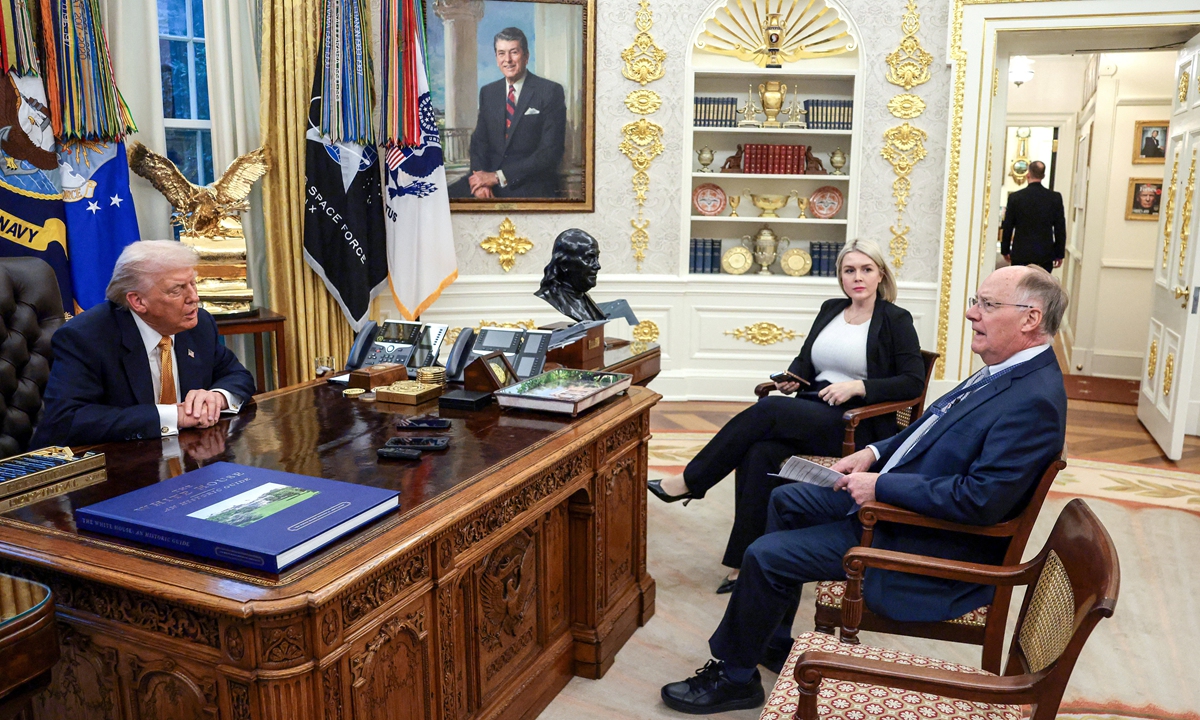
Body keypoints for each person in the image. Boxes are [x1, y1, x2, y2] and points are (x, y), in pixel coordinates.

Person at [658, 264, 1068, 714]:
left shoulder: (1033, 399)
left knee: (764, 555)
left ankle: (735, 678)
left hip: (924, 540)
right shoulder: (1005, 370)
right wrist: (872, 453)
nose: (972, 313)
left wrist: (882, 487)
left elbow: (980, 500)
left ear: (1030, 318)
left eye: (987, 304)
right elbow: (928, 431)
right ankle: (770, 640)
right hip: (905, 507)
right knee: (786, 498)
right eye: (976, 301)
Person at [648, 239, 925, 594]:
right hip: (816, 407)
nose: (858, 277)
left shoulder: (895, 319)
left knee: (769, 409)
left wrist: (858, 387)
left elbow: (912, 382)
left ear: (880, 275)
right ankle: (745, 560)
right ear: (840, 276)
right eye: (849, 270)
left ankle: (691, 481)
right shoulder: (831, 309)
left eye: (866, 269)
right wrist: (793, 377)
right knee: (759, 452)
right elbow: (806, 358)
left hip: (856, 423)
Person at [32, 240, 256, 447]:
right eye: (177, 289)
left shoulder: (198, 325)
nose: (194, 297)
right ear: (138, 301)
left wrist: (217, 397)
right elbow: (66, 421)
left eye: (192, 283)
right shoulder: (86, 338)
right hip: (116, 465)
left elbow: (238, 375)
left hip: (187, 456)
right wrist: (173, 416)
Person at [448, 27, 566, 200]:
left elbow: (549, 152)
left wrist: (497, 177)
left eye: (514, 52)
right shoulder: (489, 92)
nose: (507, 60)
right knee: (441, 200)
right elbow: (479, 142)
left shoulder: (549, 91)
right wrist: (480, 179)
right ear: (496, 58)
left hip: (528, 182)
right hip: (487, 179)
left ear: (526, 56)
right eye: (501, 53)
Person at [1001, 160, 1066, 273]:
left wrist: (1005, 250)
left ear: (1028, 174)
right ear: (1043, 176)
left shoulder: (1015, 198)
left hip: (1021, 253)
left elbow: (1008, 226)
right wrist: (1059, 254)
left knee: (1021, 282)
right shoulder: (1055, 198)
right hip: (1045, 255)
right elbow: (1060, 228)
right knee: (1042, 283)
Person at [534, 228, 605, 322]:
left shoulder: (584, 298)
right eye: (589, 258)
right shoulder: (549, 300)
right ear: (564, 264)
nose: (597, 266)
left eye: (597, 258)